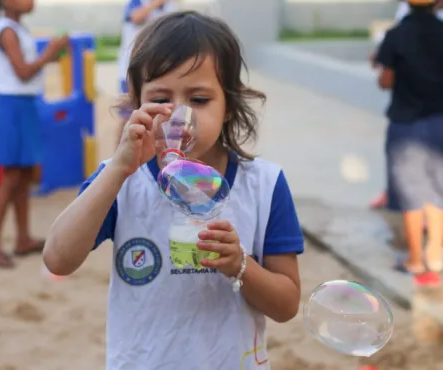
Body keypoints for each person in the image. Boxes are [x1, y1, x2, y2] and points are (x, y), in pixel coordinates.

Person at [44, 11, 304, 369]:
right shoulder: (122, 180)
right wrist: (118, 168)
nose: (180, 115)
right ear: (137, 104)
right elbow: (58, 258)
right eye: (161, 99)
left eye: (199, 99)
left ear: (228, 105)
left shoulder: (264, 184)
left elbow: (287, 305)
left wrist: (240, 265)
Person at [376, 0, 443, 280]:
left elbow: (385, 81)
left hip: (405, 127)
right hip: (437, 123)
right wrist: (440, 83)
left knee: (411, 196)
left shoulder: (395, 36)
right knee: (437, 192)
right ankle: (436, 257)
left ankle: (416, 259)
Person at [0, 0, 69, 268]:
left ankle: (22, 238)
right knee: (11, 176)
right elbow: (22, 73)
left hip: (23, 106)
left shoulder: (18, 28)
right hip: (11, 107)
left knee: (26, 172)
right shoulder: (7, 30)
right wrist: (50, 53)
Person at [115, 0, 177, 144]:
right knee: (127, 115)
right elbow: (136, 17)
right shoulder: (136, 3)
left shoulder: (170, 6)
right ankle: (119, 153)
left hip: (159, 71)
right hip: (131, 71)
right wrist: (155, 4)